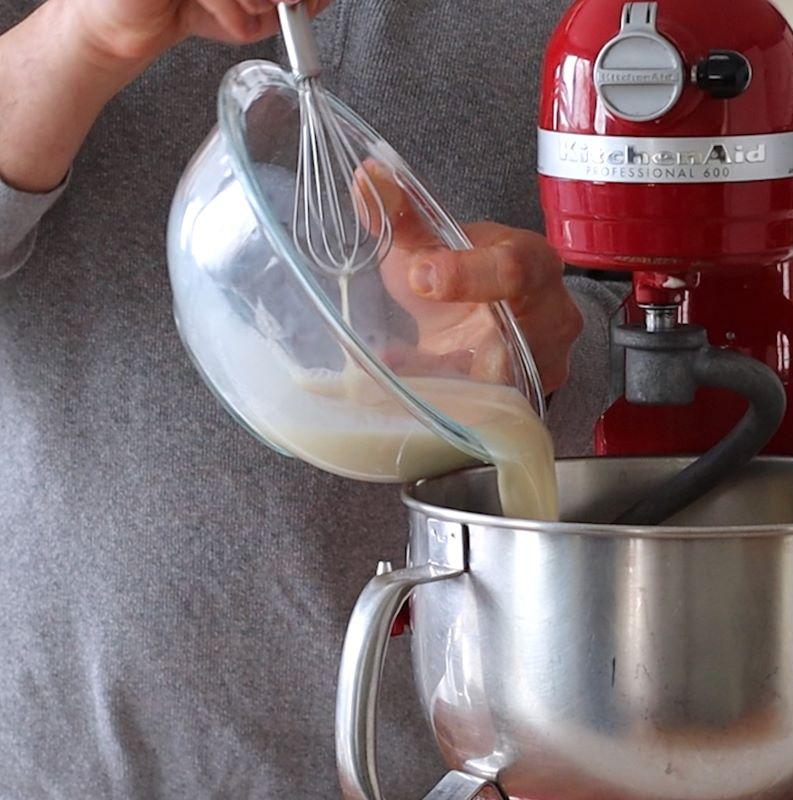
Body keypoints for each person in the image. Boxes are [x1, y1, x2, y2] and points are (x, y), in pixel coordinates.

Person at [0, 0, 621, 796]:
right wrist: (78, 35)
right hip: (63, 766)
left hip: (446, 773)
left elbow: (700, 339)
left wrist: (560, 342)